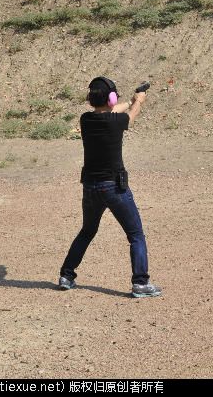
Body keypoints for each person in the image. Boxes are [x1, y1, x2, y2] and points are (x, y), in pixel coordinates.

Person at [59, 77, 162, 298]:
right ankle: (140, 283)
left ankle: (66, 275)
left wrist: (131, 100)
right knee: (136, 234)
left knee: (87, 231)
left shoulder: (86, 119)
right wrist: (139, 101)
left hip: (90, 187)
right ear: (111, 98)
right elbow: (130, 116)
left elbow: (112, 111)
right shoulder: (116, 121)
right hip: (114, 187)